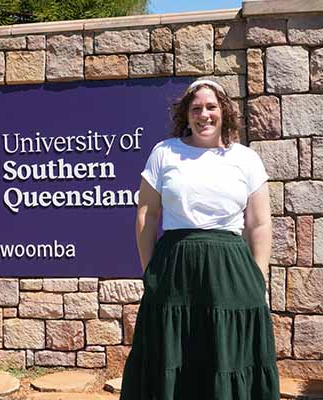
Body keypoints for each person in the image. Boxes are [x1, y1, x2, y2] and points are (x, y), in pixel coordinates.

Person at [120, 80, 280, 400]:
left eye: (211, 107)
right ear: (186, 114)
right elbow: (147, 216)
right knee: (174, 355)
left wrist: (258, 277)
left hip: (231, 272)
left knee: (228, 356)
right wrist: (150, 272)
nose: (204, 114)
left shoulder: (245, 159)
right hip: (175, 269)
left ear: (224, 112)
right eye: (196, 108)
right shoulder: (165, 153)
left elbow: (259, 224)